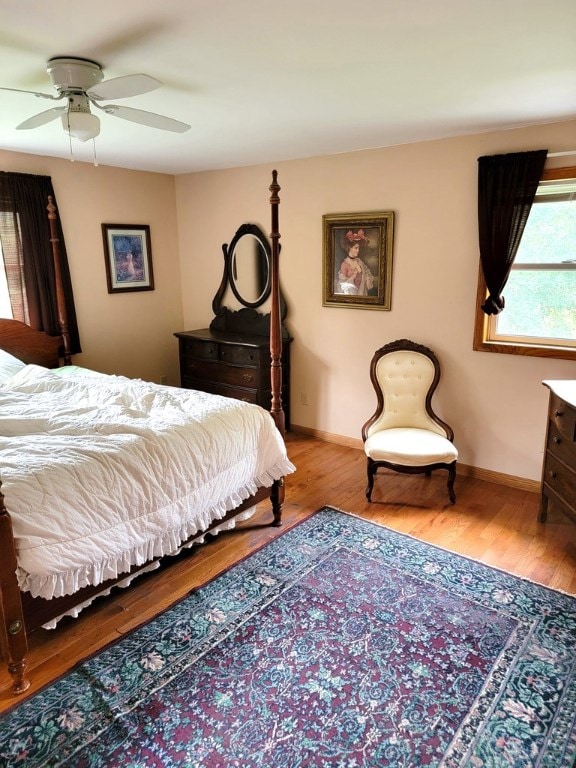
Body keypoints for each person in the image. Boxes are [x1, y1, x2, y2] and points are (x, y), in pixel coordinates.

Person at [336, 229, 375, 295]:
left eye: (358, 248)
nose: (358, 250)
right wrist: (353, 276)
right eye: (356, 248)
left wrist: (367, 279)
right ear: (350, 248)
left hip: (362, 293)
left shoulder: (359, 261)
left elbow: (366, 272)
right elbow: (342, 285)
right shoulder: (345, 264)